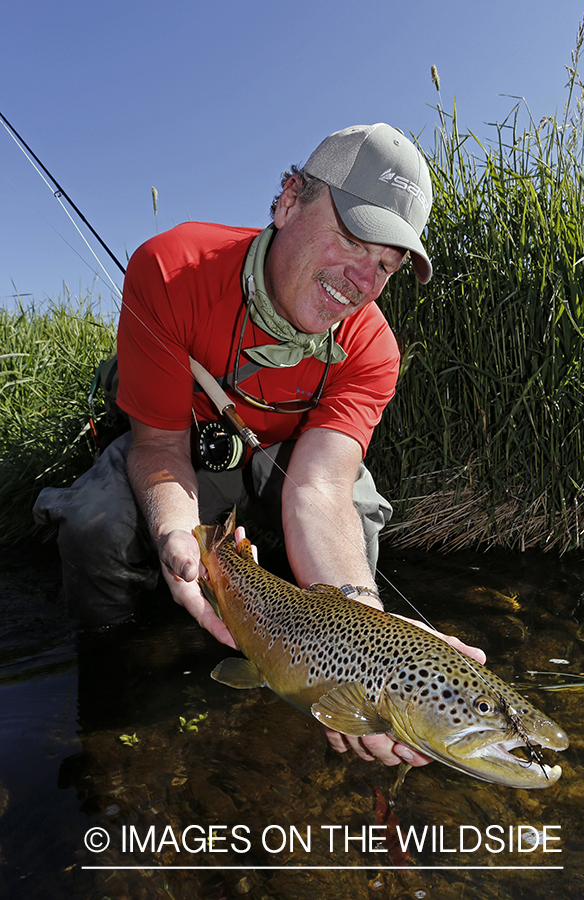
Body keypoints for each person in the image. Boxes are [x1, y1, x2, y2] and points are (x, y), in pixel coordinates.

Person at [34, 123, 484, 768]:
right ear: (289, 199)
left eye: (386, 265)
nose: (363, 279)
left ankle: (303, 676)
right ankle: (114, 684)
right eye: (354, 237)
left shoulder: (374, 348)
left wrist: (371, 635)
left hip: (294, 468)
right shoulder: (172, 270)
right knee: (94, 528)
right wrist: (175, 539)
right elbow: (157, 444)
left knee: (360, 528)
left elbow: (324, 486)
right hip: (180, 450)